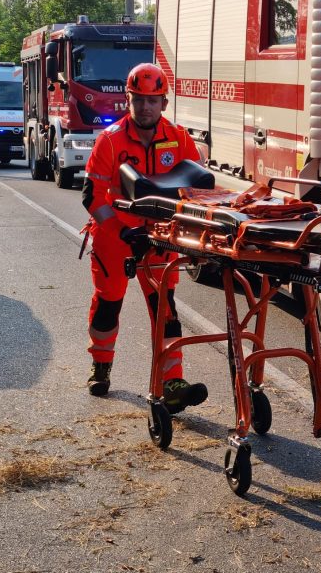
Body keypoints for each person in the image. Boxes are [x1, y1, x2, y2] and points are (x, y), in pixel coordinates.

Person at [80, 62, 207, 412]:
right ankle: (101, 366)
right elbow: (92, 198)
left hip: (160, 237)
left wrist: (192, 235)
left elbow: (196, 192)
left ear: (164, 103)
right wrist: (122, 230)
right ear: (128, 100)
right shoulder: (110, 140)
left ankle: (172, 383)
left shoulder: (180, 139)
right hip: (115, 237)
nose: (146, 107)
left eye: (153, 101)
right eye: (139, 100)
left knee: (166, 311)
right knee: (108, 306)